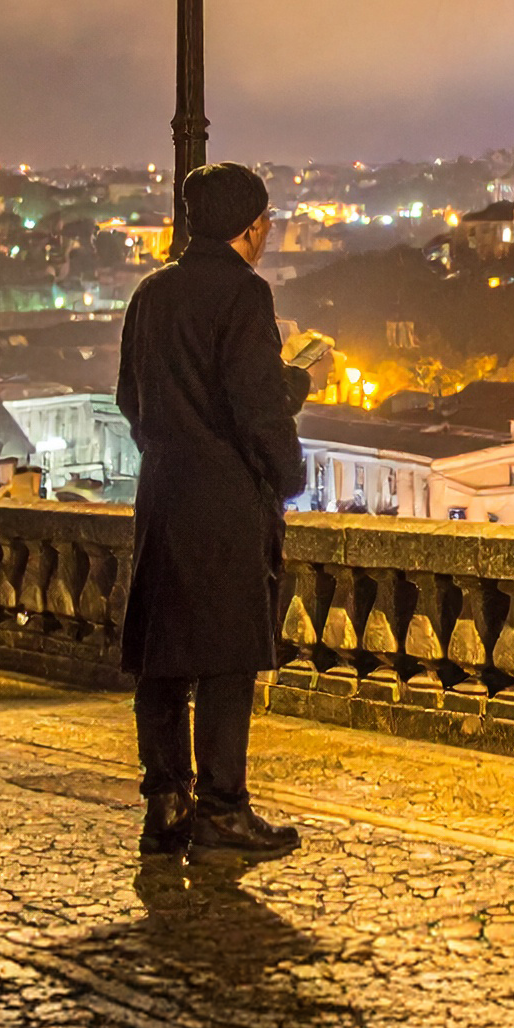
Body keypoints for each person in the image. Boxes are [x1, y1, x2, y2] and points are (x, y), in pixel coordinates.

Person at [117, 162, 314, 860]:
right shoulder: (245, 296)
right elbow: (254, 406)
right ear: (251, 227)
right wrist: (286, 473)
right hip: (226, 499)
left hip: (164, 493)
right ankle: (224, 808)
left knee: (164, 658)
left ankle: (165, 802)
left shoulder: (151, 294)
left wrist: (170, 445)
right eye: (265, 222)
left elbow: (132, 400)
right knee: (228, 657)